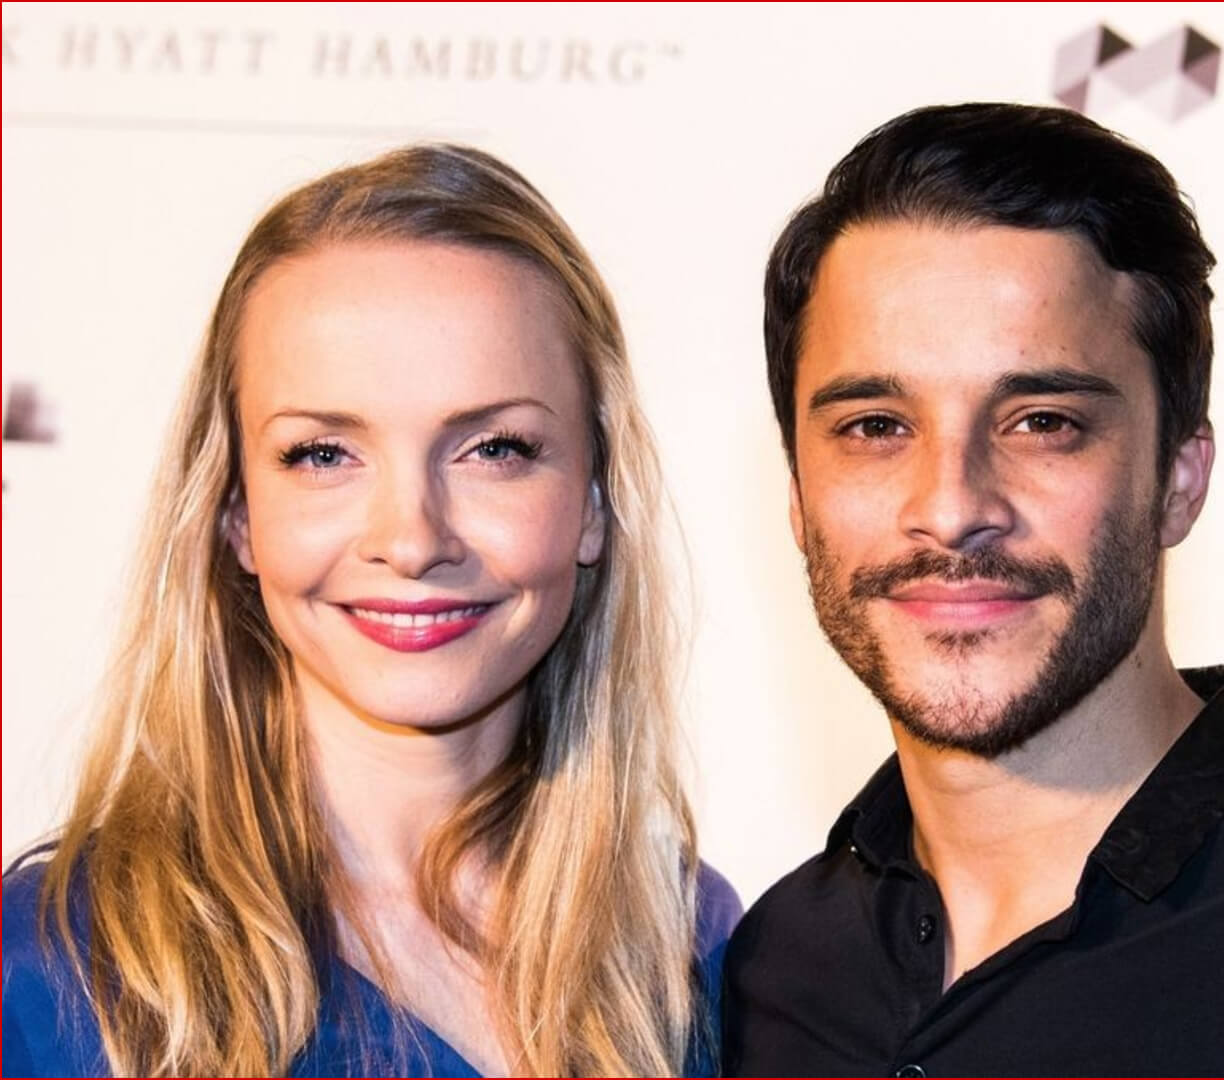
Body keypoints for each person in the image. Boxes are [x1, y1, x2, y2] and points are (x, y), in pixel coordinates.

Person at [723, 103, 1224, 1077]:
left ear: (1178, 480)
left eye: (1042, 422)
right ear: (799, 498)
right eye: (876, 427)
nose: (951, 508)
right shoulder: (774, 969)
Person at [3, 144, 739, 1078]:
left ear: (593, 502)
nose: (412, 538)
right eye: (323, 454)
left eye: (495, 449)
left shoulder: (692, 951)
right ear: (236, 514)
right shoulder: (48, 974)